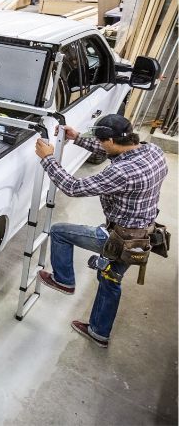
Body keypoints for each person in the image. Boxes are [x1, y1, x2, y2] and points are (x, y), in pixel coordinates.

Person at [34, 114, 168, 348]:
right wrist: (77, 138)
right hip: (142, 236)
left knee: (59, 232)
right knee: (110, 279)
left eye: (100, 141)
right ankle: (99, 333)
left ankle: (63, 280)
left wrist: (47, 159)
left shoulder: (122, 172)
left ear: (111, 140)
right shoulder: (153, 151)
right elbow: (112, 151)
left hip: (119, 238)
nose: (99, 144)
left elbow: (73, 187)